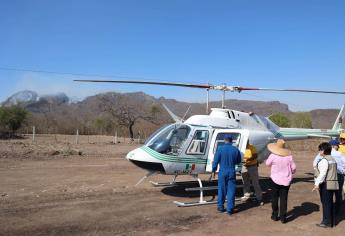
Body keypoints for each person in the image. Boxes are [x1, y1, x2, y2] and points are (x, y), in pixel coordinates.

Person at [266, 139, 296, 224]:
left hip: (275, 179)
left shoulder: (272, 156)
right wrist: (290, 172)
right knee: (284, 198)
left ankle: (275, 215)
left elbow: (267, 164)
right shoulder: (289, 157)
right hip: (286, 180)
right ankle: (283, 217)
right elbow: (293, 168)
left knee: (274, 198)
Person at [313, 139, 345, 216]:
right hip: (339, 176)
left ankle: (327, 211)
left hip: (327, 177)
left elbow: (314, 164)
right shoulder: (340, 154)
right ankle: (337, 211)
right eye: (337, 145)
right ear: (333, 146)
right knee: (338, 194)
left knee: (326, 196)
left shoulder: (320, 154)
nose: (338, 147)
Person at [212, 134, 242, 215]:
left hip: (222, 171)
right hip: (231, 171)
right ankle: (230, 208)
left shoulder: (220, 149)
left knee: (222, 189)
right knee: (231, 190)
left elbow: (215, 161)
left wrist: (213, 170)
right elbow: (238, 161)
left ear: (224, 140)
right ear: (231, 141)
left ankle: (220, 206)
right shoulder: (235, 150)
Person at [313, 142, 339, 228]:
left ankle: (326, 222)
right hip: (333, 183)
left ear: (323, 150)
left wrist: (316, 184)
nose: (319, 151)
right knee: (330, 203)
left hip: (326, 184)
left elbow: (322, 174)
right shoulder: (332, 159)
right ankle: (331, 222)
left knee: (326, 203)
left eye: (320, 149)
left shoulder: (324, 160)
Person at [240, 140, 263, 205]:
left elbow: (255, 155)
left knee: (255, 183)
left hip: (252, 166)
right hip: (244, 166)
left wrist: (247, 160)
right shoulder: (241, 147)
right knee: (245, 182)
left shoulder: (252, 147)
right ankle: (246, 196)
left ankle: (259, 198)